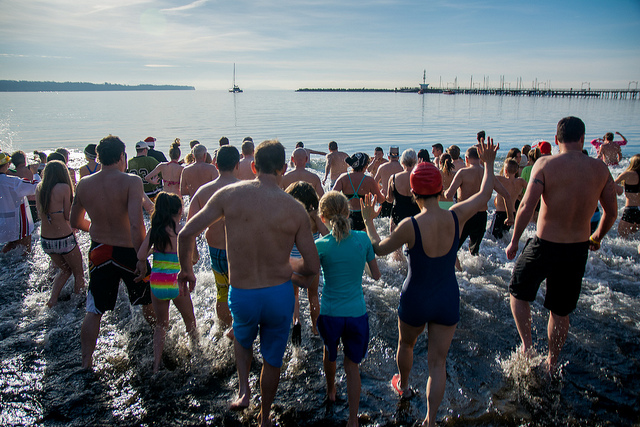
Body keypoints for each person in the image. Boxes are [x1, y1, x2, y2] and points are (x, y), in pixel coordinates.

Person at [177, 140, 319, 426]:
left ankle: (244, 391)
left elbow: (185, 234)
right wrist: (287, 266)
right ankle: (265, 417)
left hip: (243, 293)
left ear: (253, 166)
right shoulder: (294, 209)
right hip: (279, 294)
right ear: (283, 168)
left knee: (242, 339)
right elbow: (312, 266)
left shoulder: (229, 195)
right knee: (272, 359)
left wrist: (186, 271)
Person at [361, 138, 501, 427]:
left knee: (406, 344)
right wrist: (487, 163)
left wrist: (368, 221)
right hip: (446, 297)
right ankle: (431, 420)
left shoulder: (409, 226)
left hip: (415, 297)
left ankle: (405, 384)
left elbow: (377, 248)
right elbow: (485, 194)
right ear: (440, 189)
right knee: (438, 363)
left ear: (414, 193)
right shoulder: (457, 215)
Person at [505, 117, 618, 374]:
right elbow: (612, 212)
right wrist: (597, 237)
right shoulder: (600, 170)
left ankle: (527, 346)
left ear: (556, 140)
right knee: (560, 310)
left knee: (518, 291)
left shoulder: (545, 164)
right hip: (577, 248)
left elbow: (527, 205)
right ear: (582, 138)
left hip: (545, 244)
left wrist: (514, 240)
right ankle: (552, 361)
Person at [70, 135, 155, 370]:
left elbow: (74, 220)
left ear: (98, 157)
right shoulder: (130, 181)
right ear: (121, 157)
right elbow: (136, 224)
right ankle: (161, 342)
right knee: (147, 301)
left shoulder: (84, 183)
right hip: (128, 251)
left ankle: (86, 362)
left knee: (94, 309)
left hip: (100, 251)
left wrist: (96, 230)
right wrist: (141, 256)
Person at [315, 191, 380, 427]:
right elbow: (377, 275)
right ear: (348, 211)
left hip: (330, 313)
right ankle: (353, 419)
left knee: (329, 353)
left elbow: (308, 275)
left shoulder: (320, 245)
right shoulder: (362, 239)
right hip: (356, 313)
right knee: (352, 366)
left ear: (322, 217)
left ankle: (331, 391)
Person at [137, 192, 197, 373]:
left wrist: (153, 250)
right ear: (180, 210)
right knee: (190, 321)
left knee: (161, 325)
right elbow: (194, 259)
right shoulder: (183, 232)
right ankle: (197, 356)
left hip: (156, 283)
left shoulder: (155, 230)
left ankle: (156, 365)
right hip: (176, 282)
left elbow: (140, 255)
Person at [187, 145, 240, 338]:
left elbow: (189, 227)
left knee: (222, 292)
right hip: (240, 252)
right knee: (242, 292)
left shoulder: (203, 191)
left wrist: (192, 254)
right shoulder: (246, 189)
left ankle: (224, 330)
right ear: (237, 164)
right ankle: (239, 332)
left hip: (216, 250)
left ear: (215, 164)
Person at [444, 145, 515, 256]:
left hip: (464, 215)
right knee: (474, 252)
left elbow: (449, 194)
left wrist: (442, 191)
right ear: (480, 158)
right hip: (481, 216)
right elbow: (507, 195)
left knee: (453, 249)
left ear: (466, 159)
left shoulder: (462, 173)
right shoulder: (488, 175)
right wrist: (510, 216)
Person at [36, 160, 85, 307]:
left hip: (46, 240)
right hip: (63, 238)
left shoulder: (39, 188)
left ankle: (52, 300)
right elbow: (67, 216)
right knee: (78, 272)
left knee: (64, 270)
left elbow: (39, 214)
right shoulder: (63, 187)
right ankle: (78, 304)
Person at [285, 181, 328, 342]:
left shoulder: (289, 215)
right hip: (311, 263)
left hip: (293, 263)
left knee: (294, 295)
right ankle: (316, 328)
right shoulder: (315, 217)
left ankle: (297, 321)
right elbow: (326, 234)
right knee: (313, 296)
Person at [333, 153, 384, 231]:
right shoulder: (369, 180)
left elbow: (331, 197)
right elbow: (380, 199)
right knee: (363, 241)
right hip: (363, 215)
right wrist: (384, 192)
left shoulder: (343, 177)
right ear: (365, 165)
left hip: (346, 214)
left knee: (348, 240)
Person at [0, 152, 38, 254]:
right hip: (18, 222)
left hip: (2, 223)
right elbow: (36, 188)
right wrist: (35, 173)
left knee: (11, 245)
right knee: (26, 253)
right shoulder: (13, 182)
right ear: (7, 165)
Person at [492, 159, 527, 239]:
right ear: (517, 170)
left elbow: (487, 177)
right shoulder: (520, 182)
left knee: (494, 237)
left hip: (500, 213)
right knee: (505, 235)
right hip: (512, 213)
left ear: (505, 170)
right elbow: (531, 190)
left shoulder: (500, 179)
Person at [387, 149, 420, 229]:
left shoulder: (393, 178)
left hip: (398, 215)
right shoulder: (420, 178)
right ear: (415, 161)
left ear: (402, 161)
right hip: (416, 215)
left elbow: (390, 199)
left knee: (395, 240)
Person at [614, 154, 640, 238]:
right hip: (639, 209)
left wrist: (619, 190)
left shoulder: (627, 174)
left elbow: (612, 185)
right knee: (634, 237)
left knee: (621, 237)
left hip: (630, 209)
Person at [10, 150, 40, 221]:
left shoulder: (10, 174)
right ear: (24, 160)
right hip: (33, 204)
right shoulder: (30, 170)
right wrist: (37, 159)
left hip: (19, 206)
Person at [374, 146, 403, 219]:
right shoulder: (402, 168)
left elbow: (374, 182)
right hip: (398, 200)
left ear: (388, 157)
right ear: (398, 157)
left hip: (385, 198)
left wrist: (379, 192)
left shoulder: (382, 167)